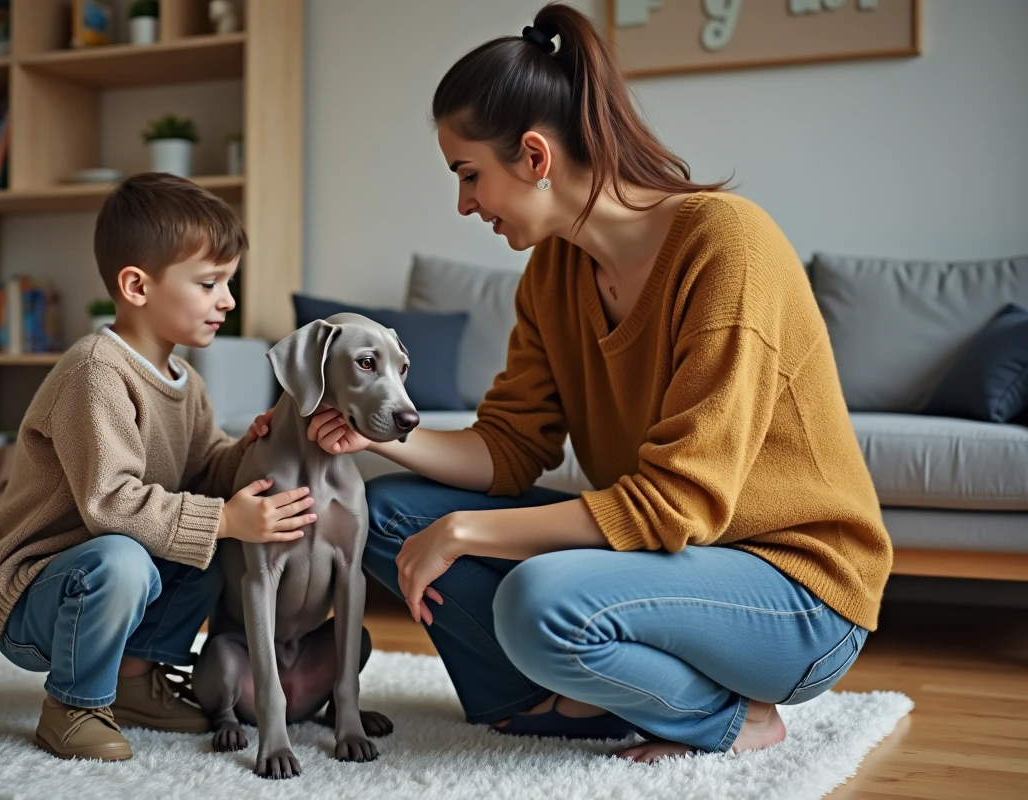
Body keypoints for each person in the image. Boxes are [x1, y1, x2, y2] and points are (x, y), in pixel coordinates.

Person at [251, 2, 892, 763]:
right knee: (387, 514)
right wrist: (377, 434)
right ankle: (564, 692)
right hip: (666, 561)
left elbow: (677, 505)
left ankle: (728, 715)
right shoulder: (554, 273)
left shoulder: (727, 246)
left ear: (533, 155)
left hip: (796, 595)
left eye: (468, 175)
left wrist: (465, 532)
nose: (464, 204)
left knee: (537, 601)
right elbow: (511, 448)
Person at [0, 173, 317, 762]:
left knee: (201, 550)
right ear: (136, 285)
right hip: (36, 590)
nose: (227, 301)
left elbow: (205, 469)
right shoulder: (96, 372)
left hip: (105, 576)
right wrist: (225, 521)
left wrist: (248, 449)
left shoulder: (186, 382)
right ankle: (73, 706)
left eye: (228, 284)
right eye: (209, 284)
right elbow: (111, 504)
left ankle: (130, 684)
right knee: (136, 554)